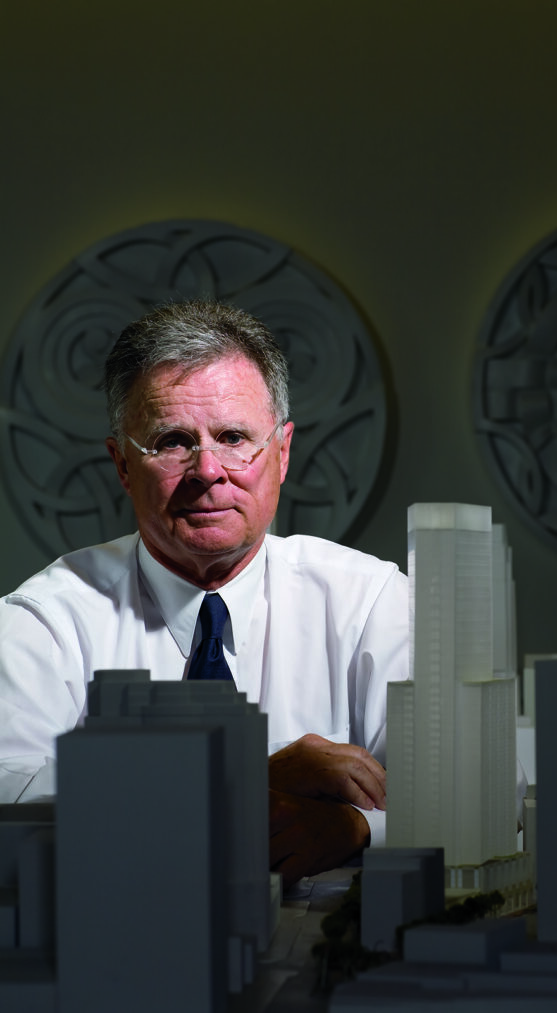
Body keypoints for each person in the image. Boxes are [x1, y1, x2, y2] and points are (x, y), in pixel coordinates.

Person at [0, 299, 408, 885]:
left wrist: (357, 830)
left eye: (234, 436)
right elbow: (9, 797)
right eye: (171, 441)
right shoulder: (45, 619)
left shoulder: (369, 601)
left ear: (283, 452)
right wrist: (244, 777)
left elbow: (485, 788)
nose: (207, 470)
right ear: (121, 464)